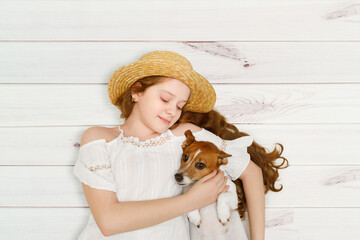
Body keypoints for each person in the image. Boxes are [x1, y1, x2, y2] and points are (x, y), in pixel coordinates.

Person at [73, 51, 288, 240]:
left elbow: (252, 172)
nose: (172, 112)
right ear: (136, 91)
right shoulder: (98, 138)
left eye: (179, 106)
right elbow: (109, 221)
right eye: (165, 99)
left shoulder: (185, 138)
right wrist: (191, 201)